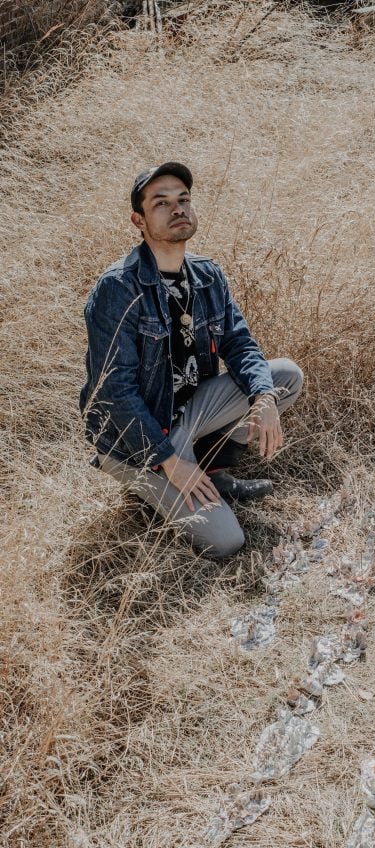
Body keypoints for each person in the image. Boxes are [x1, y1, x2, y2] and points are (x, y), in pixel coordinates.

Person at [79, 161, 303, 557]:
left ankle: (213, 471)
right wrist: (170, 461)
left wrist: (264, 399)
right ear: (139, 220)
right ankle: (155, 488)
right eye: (161, 203)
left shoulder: (207, 275)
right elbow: (114, 393)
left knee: (283, 375)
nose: (177, 208)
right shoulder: (118, 288)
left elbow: (240, 344)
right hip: (138, 441)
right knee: (226, 541)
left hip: (191, 416)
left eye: (183, 199)